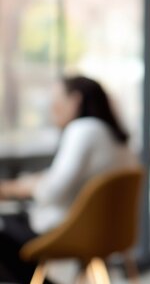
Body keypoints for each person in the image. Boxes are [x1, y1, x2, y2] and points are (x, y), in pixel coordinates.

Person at [0, 75, 139, 283]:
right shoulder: (116, 138)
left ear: (75, 100)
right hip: (109, 234)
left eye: (56, 102)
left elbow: (52, 191)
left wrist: (15, 188)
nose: (52, 109)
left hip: (71, 232)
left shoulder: (83, 130)